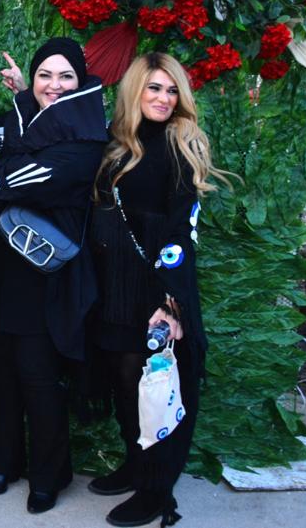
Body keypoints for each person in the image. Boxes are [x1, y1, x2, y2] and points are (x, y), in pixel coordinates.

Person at [87, 53, 226, 527]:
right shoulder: (114, 141)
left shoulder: (180, 143)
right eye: (154, 88)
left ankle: (155, 490)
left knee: (156, 385)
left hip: (156, 285)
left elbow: (181, 228)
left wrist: (171, 302)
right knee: (124, 382)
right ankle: (136, 464)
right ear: (135, 91)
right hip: (114, 284)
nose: (164, 98)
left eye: (171, 90)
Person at [0, 38, 107, 514]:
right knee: (2, 374)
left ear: (81, 82)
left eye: (65, 76)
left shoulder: (88, 137)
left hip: (49, 279)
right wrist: (21, 101)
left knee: (38, 378)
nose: (54, 85)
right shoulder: (24, 121)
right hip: (5, 270)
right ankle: (4, 464)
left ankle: (49, 477)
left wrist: (3, 169)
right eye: (44, 76)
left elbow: (4, 180)